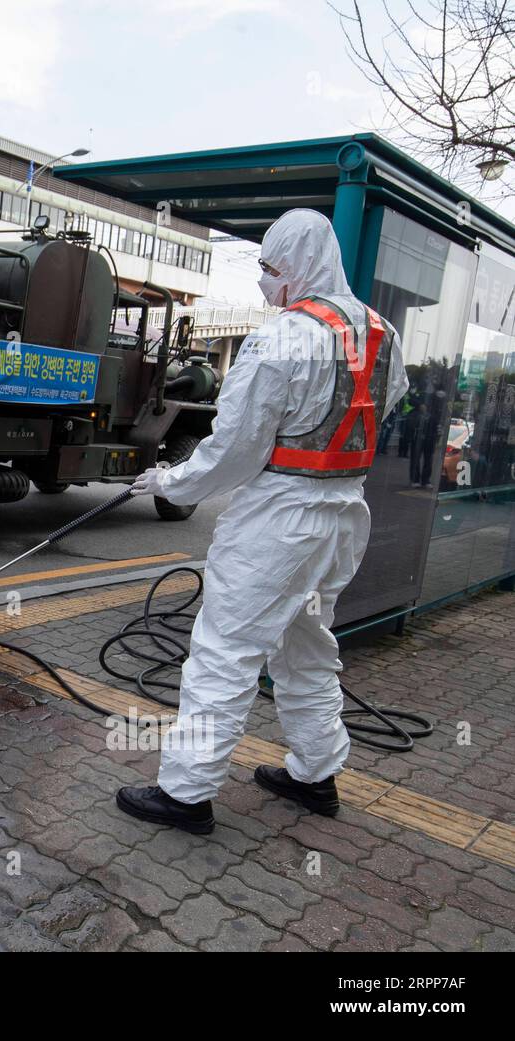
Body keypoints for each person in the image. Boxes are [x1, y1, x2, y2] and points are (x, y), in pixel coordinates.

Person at [116, 208, 408, 835]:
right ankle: (315, 775)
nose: (267, 283)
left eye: (272, 269)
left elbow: (235, 450)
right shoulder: (384, 333)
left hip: (279, 523)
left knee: (224, 652)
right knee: (306, 646)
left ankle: (186, 795)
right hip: (341, 519)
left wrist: (169, 480)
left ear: (298, 266)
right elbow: (391, 402)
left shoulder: (283, 338)